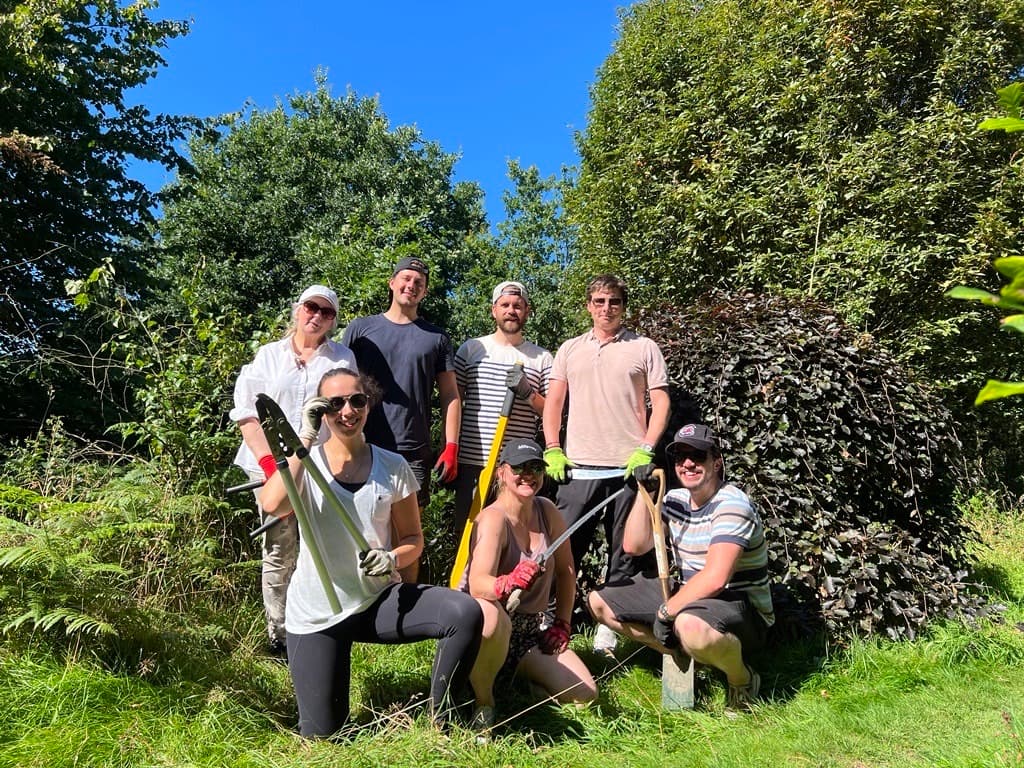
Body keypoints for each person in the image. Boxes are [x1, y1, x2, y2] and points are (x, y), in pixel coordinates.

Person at [258, 367, 483, 738]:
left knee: (463, 611)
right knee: (322, 737)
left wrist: (393, 558)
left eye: (357, 400)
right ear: (321, 410)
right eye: (335, 403)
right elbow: (273, 504)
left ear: (368, 404)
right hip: (318, 612)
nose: (348, 411)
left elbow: (413, 538)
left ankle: (441, 722)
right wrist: (305, 437)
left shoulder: (392, 466)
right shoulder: (307, 463)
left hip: (376, 600)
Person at [586, 424, 774, 711]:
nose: (687, 463)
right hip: (692, 597)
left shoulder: (732, 505)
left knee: (688, 623)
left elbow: (716, 578)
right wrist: (644, 495)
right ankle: (688, 651)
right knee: (598, 602)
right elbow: (634, 545)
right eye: (680, 457)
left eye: (697, 456)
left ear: (716, 462)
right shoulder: (675, 500)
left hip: (741, 608)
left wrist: (667, 612)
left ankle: (742, 679)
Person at [541, 274, 670, 655]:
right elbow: (553, 403)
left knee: (625, 552)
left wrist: (646, 448)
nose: (606, 308)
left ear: (623, 306)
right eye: (599, 301)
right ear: (588, 306)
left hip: (629, 469)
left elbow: (661, 402)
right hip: (578, 468)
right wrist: (552, 447)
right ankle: (551, 619)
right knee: (564, 548)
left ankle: (608, 627)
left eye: (614, 301)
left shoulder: (644, 347)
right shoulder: (570, 349)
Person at [229, 284, 358, 654]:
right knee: (279, 546)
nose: (317, 316)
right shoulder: (269, 356)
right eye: (311, 307)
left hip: (318, 465)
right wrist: (271, 467)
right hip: (267, 464)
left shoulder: (341, 358)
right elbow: (247, 414)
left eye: (326, 312)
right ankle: (280, 634)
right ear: (297, 309)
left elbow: (346, 412)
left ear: (334, 320)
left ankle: (321, 624)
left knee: (321, 543)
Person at [459, 439, 597, 736]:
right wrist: (508, 582)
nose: (528, 474)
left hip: (528, 633)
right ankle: (484, 703)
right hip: (487, 629)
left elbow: (566, 570)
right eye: (519, 468)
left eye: (535, 467)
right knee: (490, 616)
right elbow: (478, 585)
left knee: (584, 695)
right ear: (501, 472)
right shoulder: (493, 518)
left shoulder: (546, 511)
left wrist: (562, 623)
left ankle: (520, 684)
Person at [342, 256, 460, 583]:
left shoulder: (436, 338)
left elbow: (450, 395)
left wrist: (450, 446)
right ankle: (360, 599)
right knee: (358, 527)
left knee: (407, 535)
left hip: (413, 451)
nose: (411, 285)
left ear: (425, 292)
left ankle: (405, 602)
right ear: (392, 283)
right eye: (406, 279)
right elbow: (338, 380)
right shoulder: (361, 330)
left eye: (419, 282)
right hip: (362, 444)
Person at [453, 280, 553, 539]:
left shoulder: (541, 358)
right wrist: (449, 447)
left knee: (514, 535)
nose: (511, 311)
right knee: (471, 535)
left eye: (518, 306)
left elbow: (552, 413)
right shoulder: (472, 350)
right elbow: (454, 402)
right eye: (505, 305)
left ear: (527, 311)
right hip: (474, 462)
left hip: (518, 469)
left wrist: (528, 393)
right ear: (493, 310)